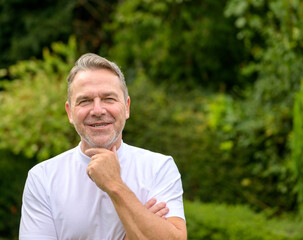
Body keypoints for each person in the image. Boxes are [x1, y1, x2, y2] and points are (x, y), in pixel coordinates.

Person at [19, 53, 187, 240]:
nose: (98, 110)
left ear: (127, 107)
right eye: (85, 101)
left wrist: (114, 184)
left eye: (108, 98)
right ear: (70, 112)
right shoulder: (42, 178)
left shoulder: (159, 167)